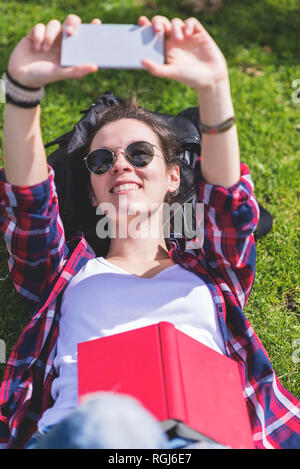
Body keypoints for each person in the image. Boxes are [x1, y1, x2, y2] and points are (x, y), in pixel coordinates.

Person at [0, 14, 299, 450]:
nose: (121, 164)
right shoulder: (62, 274)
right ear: (92, 188)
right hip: (85, 437)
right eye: (102, 161)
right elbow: (29, 202)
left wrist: (214, 88)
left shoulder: (213, 270)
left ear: (173, 177)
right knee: (109, 418)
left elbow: (229, 203)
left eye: (140, 154)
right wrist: (23, 92)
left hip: (206, 440)